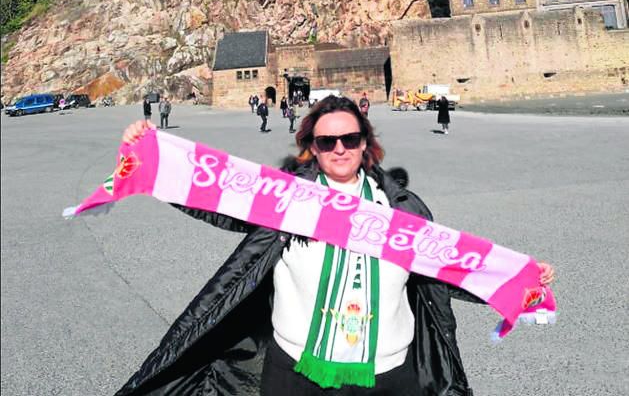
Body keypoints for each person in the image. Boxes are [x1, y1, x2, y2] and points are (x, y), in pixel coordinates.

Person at [116, 96, 555, 395]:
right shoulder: (285, 199)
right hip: (295, 372)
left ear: (366, 144)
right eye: (327, 141)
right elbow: (212, 195)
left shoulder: (401, 207)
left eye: (350, 139)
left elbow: (449, 265)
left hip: (388, 375)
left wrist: (521, 280)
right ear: (312, 146)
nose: (340, 149)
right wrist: (148, 154)